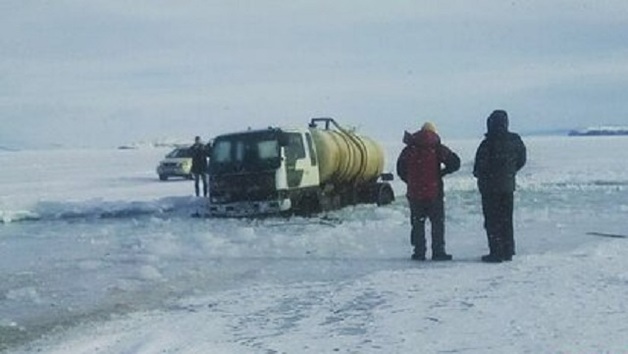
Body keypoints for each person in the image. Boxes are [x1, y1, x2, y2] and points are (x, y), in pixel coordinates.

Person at [397, 122, 461, 261]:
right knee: (437, 223)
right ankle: (438, 251)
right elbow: (455, 162)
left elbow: (400, 169)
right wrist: (442, 173)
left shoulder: (409, 149)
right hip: (434, 192)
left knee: (417, 224)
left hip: (415, 194)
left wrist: (411, 181)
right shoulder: (437, 147)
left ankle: (419, 252)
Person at [473, 110, 527, 263]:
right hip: (507, 186)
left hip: (490, 188)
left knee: (492, 221)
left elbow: (479, 166)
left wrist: (483, 176)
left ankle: (496, 252)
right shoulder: (515, 140)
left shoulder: (487, 143)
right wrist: (510, 172)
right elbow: (522, 160)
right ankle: (508, 250)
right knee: (506, 219)